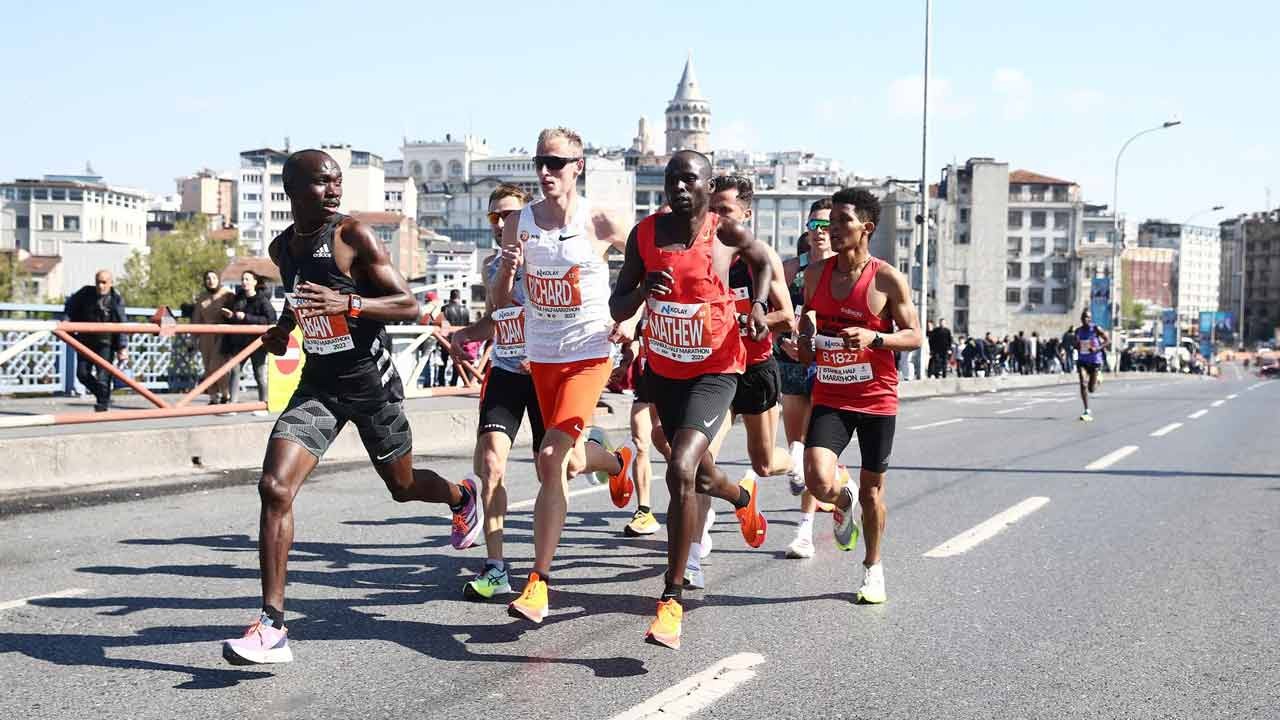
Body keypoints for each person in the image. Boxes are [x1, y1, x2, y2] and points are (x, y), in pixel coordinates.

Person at [221, 149, 483, 666]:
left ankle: (460, 496)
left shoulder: (352, 236)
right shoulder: (283, 248)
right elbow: (302, 301)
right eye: (322, 182)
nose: (335, 190)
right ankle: (272, 626)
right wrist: (282, 330)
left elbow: (409, 305)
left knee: (403, 488)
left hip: (372, 386)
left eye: (338, 181)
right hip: (318, 387)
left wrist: (352, 304)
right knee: (274, 487)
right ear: (292, 190)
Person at [610, 150, 773, 649]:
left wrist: (760, 306)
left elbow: (763, 259)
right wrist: (642, 292)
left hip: (717, 367)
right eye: (672, 181)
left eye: (690, 181)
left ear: (706, 187)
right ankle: (742, 499)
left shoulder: (723, 231)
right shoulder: (645, 235)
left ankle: (671, 598)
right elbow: (618, 303)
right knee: (701, 474)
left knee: (681, 468)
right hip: (666, 369)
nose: (680, 189)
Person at [492, 128, 637, 626]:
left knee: (549, 456)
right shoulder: (519, 223)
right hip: (543, 356)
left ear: (578, 165)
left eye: (557, 162)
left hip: (591, 351)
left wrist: (632, 319)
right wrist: (506, 272)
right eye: (540, 161)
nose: (546, 171)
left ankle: (538, 583)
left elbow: (645, 267)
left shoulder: (599, 219)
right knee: (569, 463)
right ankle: (618, 464)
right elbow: (500, 299)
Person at [797, 188, 922, 606]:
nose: (832, 230)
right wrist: (802, 345)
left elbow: (915, 335)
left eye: (842, 223)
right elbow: (805, 333)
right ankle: (840, 494)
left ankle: (873, 568)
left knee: (873, 492)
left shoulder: (886, 278)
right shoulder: (815, 276)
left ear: (866, 228)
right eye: (827, 223)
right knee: (815, 477)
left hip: (875, 397)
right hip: (831, 390)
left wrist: (876, 336)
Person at [681, 174, 794, 588]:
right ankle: (692, 555)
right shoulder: (703, 252)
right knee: (698, 459)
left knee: (765, 463)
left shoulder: (760, 256)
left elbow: (788, 318)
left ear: (746, 214)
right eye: (712, 209)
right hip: (715, 370)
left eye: (725, 210)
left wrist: (758, 319)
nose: (717, 218)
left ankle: (795, 460)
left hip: (756, 368)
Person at [445, 184, 551, 600]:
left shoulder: (546, 258)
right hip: (507, 369)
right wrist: (465, 334)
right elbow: (497, 318)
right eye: (494, 217)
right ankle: (496, 567)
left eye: (510, 216)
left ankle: (614, 462)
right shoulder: (491, 265)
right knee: (490, 464)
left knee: (560, 468)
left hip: (546, 374)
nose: (501, 224)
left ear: (525, 219)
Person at [772, 199, 839, 559]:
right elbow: (771, 313)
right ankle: (840, 482)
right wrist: (783, 339)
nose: (821, 233)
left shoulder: (843, 273)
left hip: (827, 367)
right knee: (796, 447)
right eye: (815, 226)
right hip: (790, 363)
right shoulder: (788, 270)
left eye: (828, 226)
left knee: (813, 448)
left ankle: (804, 532)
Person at [63, 270, 128, 412]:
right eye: (98, 282)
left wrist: (122, 348)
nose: (101, 286)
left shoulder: (116, 300)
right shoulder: (85, 293)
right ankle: (103, 395)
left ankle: (102, 405)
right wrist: (66, 323)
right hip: (86, 341)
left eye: (104, 282)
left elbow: (122, 323)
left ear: (111, 283)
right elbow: (70, 306)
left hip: (106, 342)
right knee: (82, 374)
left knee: (103, 377)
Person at [221, 270, 277, 412]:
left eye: (247, 279)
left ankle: (263, 404)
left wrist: (246, 317)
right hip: (239, 343)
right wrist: (231, 315)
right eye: (243, 279)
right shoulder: (238, 298)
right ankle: (232, 405)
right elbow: (236, 318)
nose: (244, 282)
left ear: (254, 282)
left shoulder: (262, 300)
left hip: (256, 344)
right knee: (234, 370)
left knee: (259, 374)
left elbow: (270, 320)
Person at [191, 270, 233, 404]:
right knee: (207, 366)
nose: (211, 280)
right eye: (208, 278)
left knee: (218, 365)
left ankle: (225, 393)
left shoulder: (227, 293)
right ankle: (213, 396)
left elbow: (235, 310)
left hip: (221, 334)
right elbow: (196, 318)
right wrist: (193, 338)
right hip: (205, 335)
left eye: (214, 277)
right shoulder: (202, 297)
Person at [1074, 309, 1108, 422]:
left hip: (1094, 361)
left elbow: (1108, 341)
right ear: (1081, 319)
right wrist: (1077, 346)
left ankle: (1098, 379)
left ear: (1091, 319)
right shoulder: (1078, 331)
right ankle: (1086, 410)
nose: (1085, 319)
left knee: (1091, 389)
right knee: (1083, 383)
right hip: (1082, 360)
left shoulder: (1096, 329)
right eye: (1083, 317)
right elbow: (1076, 344)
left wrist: (1096, 348)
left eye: (1087, 317)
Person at [438, 289, 472, 386]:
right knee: (457, 363)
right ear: (459, 297)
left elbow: (443, 324)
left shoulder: (444, 308)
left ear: (450, 297)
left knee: (443, 363)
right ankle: (453, 382)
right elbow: (467, 325)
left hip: (446, 340)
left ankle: (441, 383)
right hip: (460, 339)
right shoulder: (465, 310)